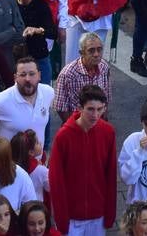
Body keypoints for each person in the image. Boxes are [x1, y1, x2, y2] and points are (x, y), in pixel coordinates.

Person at [48, 84, 117, 236]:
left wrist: (109, 213)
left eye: (100, 109)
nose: (95, 115)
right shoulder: (63, 136)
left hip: (98, 215)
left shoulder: (108, 132)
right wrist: (61, 219)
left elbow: (111, 175)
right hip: (72, 218)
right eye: (90, 109)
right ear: (79, 108)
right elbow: (56, 181)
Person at [52, 32, 113, 122]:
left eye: (99, 50)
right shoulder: (68, 74)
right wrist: (76, 127)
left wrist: (102, 122)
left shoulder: (104, 67)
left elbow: (106, 98)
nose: (96, 54)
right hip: (77, 124)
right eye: (91, 50)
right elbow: (61, 108)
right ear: (81, 53)